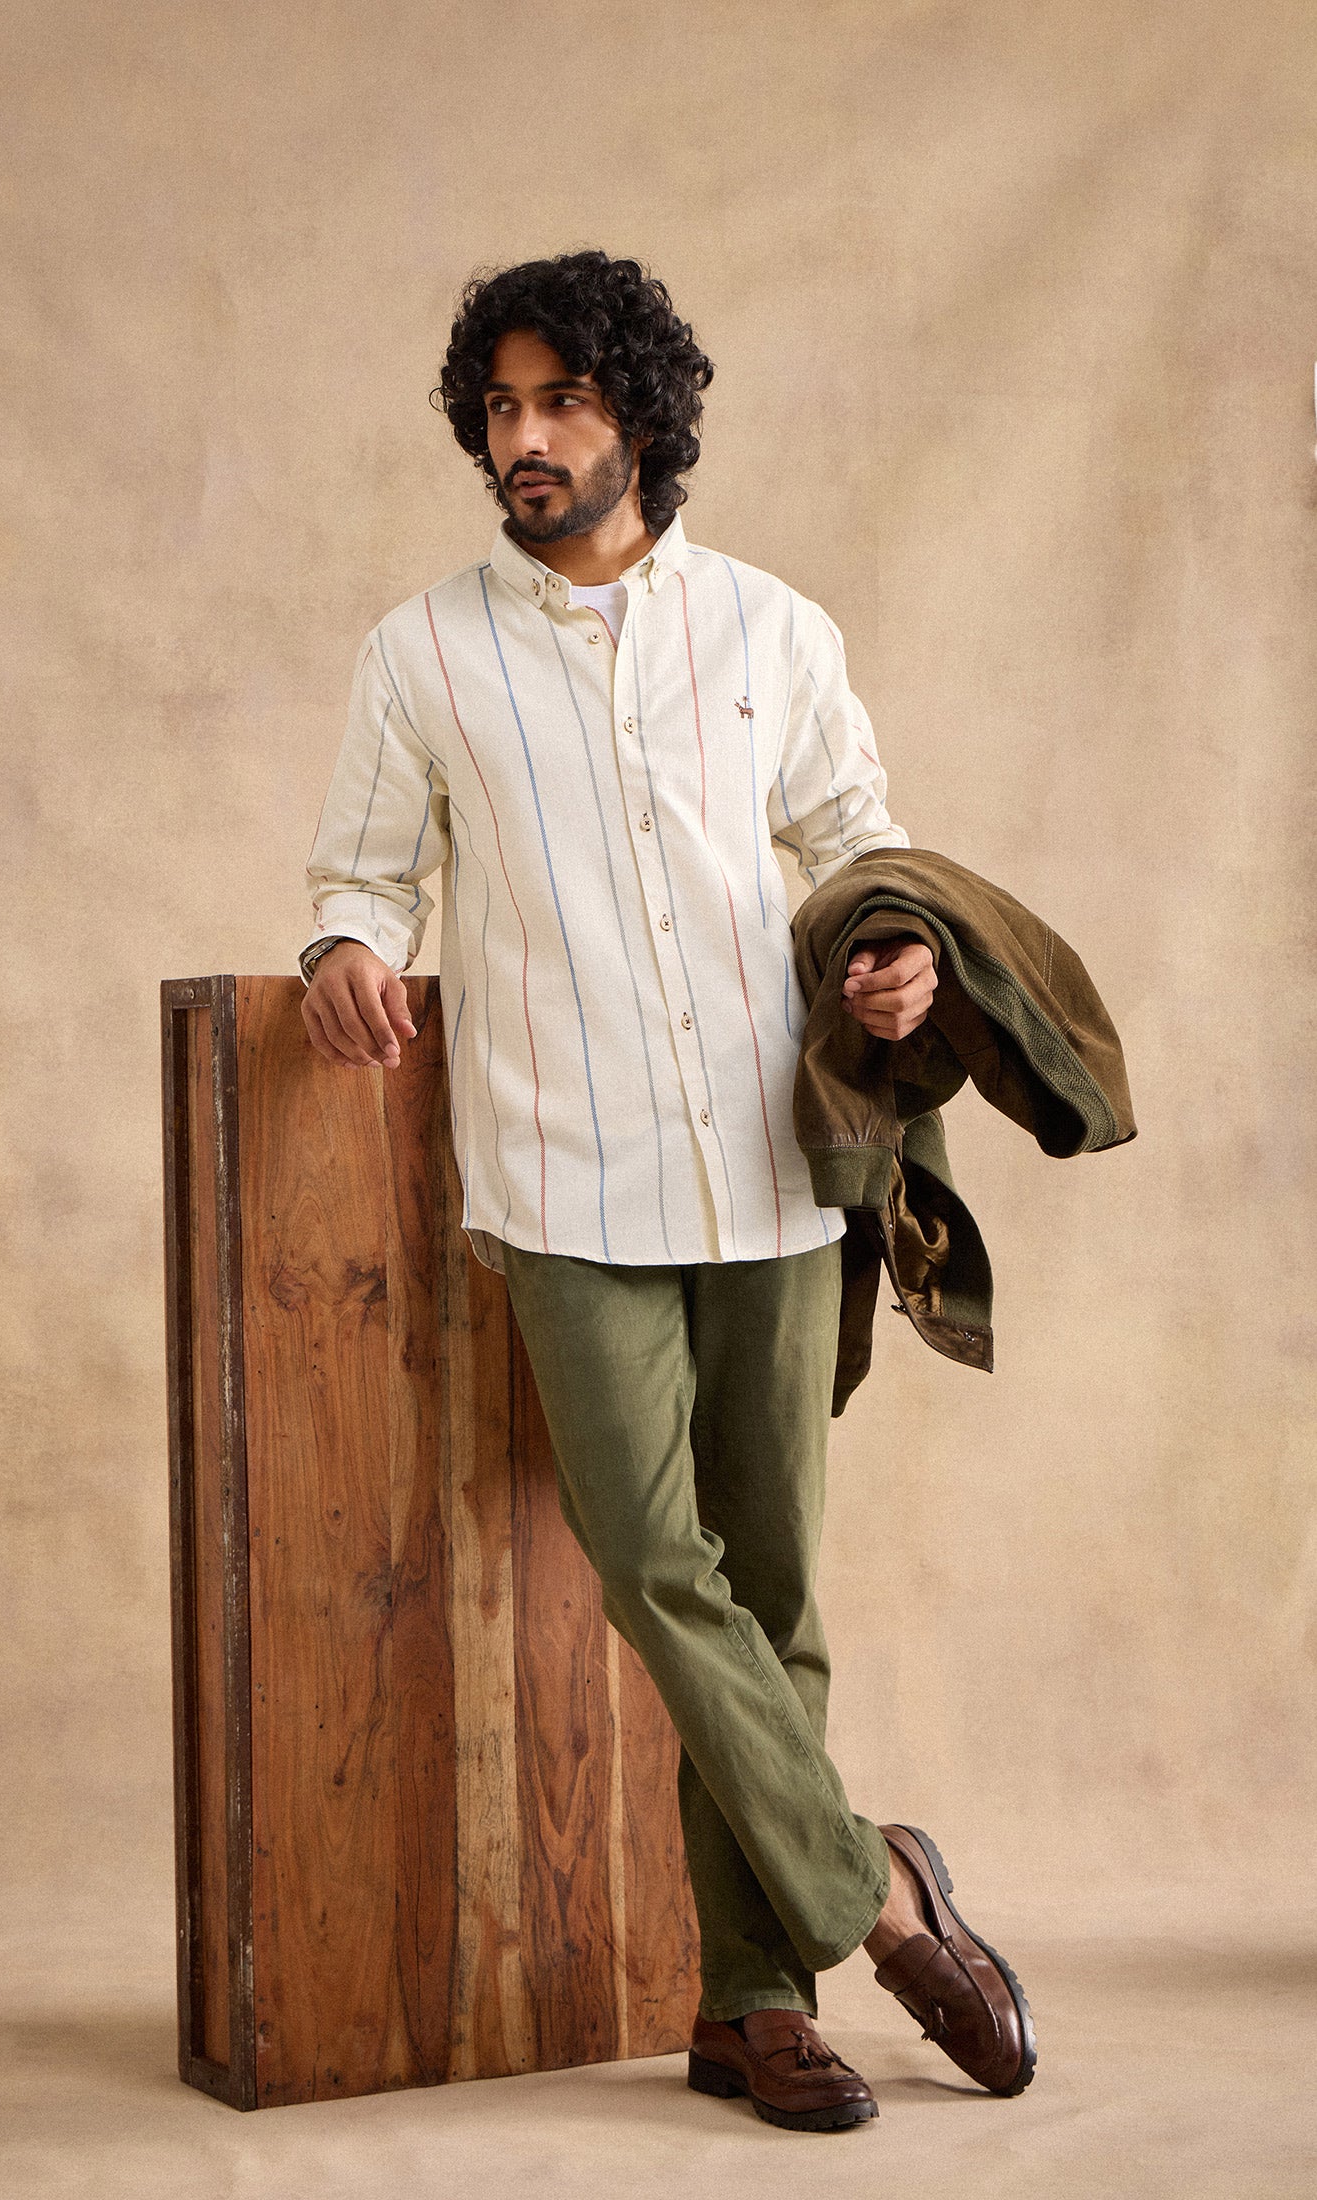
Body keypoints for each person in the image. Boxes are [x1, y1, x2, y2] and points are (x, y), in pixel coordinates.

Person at [297, 250, 1034, 2131]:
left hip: (774, 1162)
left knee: (771, 1588)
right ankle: (883, 1897)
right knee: (649, 1561)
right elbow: (364, 873)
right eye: (500, 408)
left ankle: (751, 2005)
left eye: (559, 401)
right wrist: (347, 946)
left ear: (639, 414)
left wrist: (890, 957)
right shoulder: (421, 653)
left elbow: (858, 847)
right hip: (561, 1172)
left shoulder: (773, 631)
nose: (523, 440)